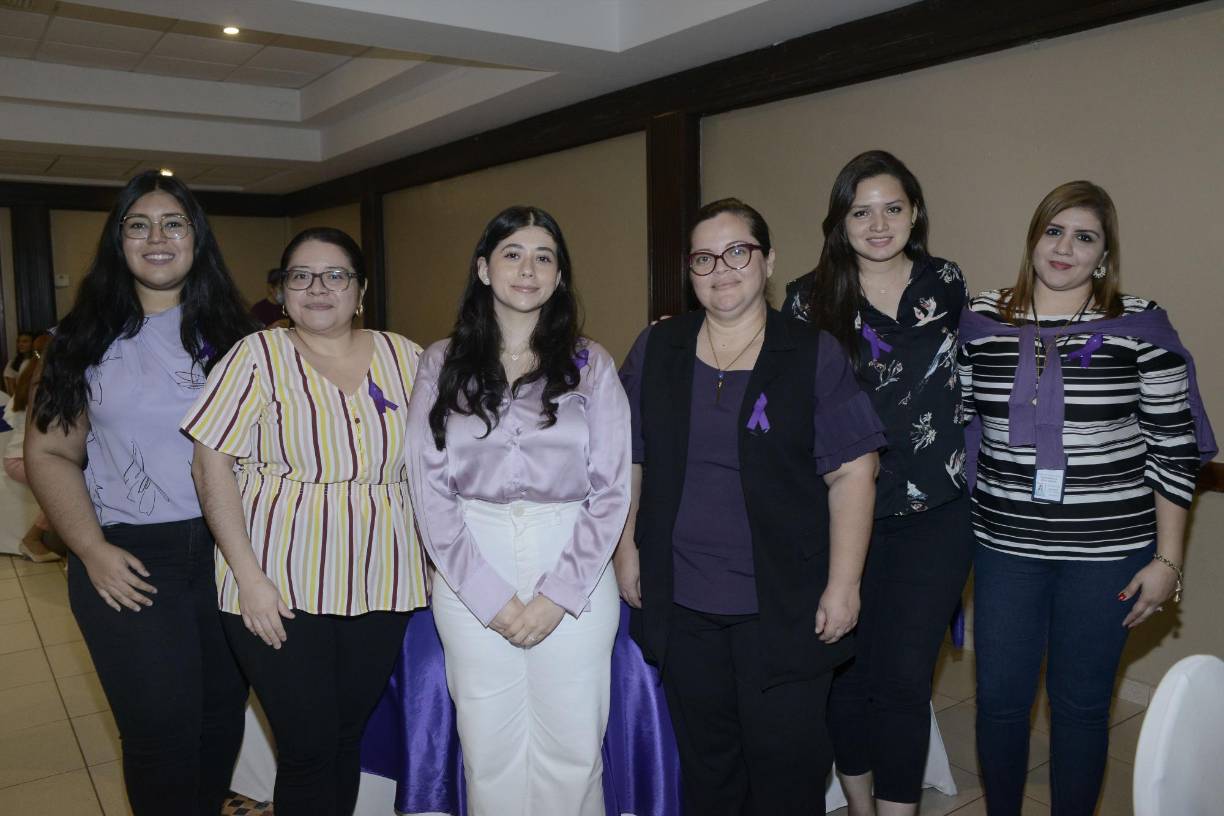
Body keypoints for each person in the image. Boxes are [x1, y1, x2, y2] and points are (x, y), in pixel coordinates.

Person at [616, 197, 884, 815]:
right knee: (709, 771)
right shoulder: (660, 348)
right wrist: (627, 546)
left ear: (768, 262)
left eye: (738, 251)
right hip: (684, 602)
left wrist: (844, 586)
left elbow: (853, 474)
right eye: (704, 258)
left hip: (784, 605)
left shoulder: (812, 354)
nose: (722, 269)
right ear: (689, 271)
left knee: (787, 772)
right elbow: (629, 456)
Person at [958, 180, 1215, 816]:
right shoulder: (982, 319)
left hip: (1107, 554)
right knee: (999, 701)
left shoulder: (1139, 324)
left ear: (1104, 255)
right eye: (1054, 231)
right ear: (1033, 239)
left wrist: (1168, 561)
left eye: (1085, 237)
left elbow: (1173, 449)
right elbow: (956, 419)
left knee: (1079, 706)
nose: (1065, 247)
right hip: (1004, 547)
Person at [24, 170, 255, 816]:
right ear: (118, 241)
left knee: (219, 721)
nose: (157, 237)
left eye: (173, 223)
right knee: (161, 731)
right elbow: (48, 451)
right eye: (139, 224)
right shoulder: (83, 339)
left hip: (226, 557)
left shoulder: (240, 340)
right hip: (129, 558)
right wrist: (90, 548)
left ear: (196, 239)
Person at [184, 227, 428, 816]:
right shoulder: (256, 356)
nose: (318, 288)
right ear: (284, 290)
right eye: (301, 276)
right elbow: (209, 465)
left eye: (335, 275)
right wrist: (248, 578)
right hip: (277, 582)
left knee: (346, 737)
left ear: (361, 290)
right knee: (308, 746)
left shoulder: (408, 356)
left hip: (383, 580)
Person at [405, 205, 630, 815]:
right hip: (469, 555)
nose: (527, 269)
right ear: (483, 268)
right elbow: (428, 488)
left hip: (575, 558)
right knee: (488, 747)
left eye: (544, 257)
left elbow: (611, 490)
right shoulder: (440, 362)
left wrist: (558, 594)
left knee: (575, 745)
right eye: (512, 254)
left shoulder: (592, 364)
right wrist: (489, 594)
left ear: (559, 278)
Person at [782, 150, 974, 815]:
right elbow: (777, 393)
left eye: (893, 208)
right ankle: (861, 807)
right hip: (838, 515)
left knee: (903, 679)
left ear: (915, 213)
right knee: (847, 675)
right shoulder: (807, 298)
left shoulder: (945, 282)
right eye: (860, 211)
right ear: (839, 221)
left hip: (936, 515)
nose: (878, 223)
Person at [3, 333, 64, 562]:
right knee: (68, 490)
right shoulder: (48, 384)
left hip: (16, 456)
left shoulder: (29, 375)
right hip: (24, 459)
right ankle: (33, 539)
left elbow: (11, 418)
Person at [3, 330, 34, 394]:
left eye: (25, 341)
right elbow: (11, 389)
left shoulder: (38, 359)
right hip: (20, 399)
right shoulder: (13, 363)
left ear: (33, 343)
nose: (20, 344)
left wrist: (36, 351)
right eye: (18, 341)